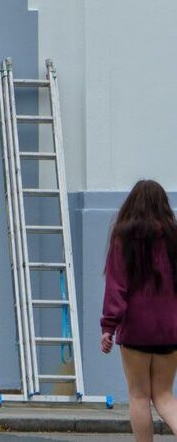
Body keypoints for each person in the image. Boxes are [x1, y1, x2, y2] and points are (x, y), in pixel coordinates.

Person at [101, 179, 177, 442]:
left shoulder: (124, 237)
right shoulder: (173, 238)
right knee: (165, 396)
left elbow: (116, 287)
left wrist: (108, 326)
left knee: (139, 395)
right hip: (170, 328)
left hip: (136, 328)